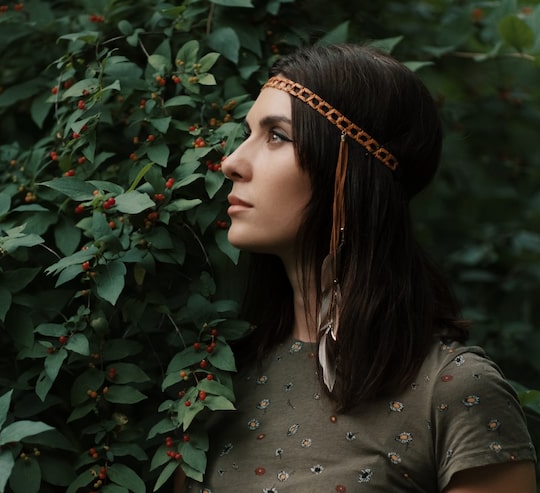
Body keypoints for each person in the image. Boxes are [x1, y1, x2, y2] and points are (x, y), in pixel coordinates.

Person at [177, 44, 537, 492]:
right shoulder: (215, 377)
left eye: (277, 136)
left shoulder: (452, 391)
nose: (231, 162)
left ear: (347, 173)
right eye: (248, 133)